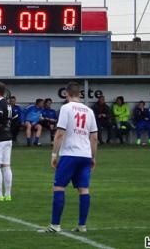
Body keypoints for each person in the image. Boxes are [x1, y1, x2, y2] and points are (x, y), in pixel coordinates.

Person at [42, 82, 98, 233]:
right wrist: (93, 157)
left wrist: (54, 154)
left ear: (66, 94)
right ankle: (82, 225)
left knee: (59, 186)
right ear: (80, 94)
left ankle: (55, 225)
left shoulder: (66, 109)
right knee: (83, 189)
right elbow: (94, 137)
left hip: (69, 154)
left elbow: (60, 133)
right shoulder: (89, 111)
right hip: (85, 155)